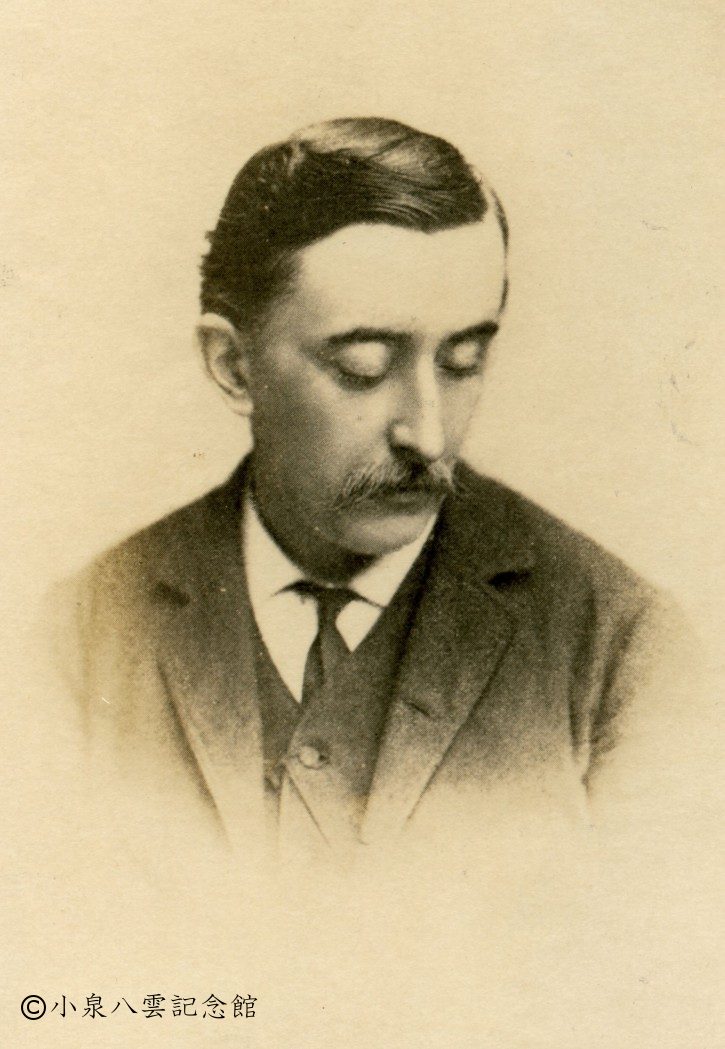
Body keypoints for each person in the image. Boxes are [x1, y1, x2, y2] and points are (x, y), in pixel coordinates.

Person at [58, 117, 689, 873]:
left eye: (463, 361)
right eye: (363, 366)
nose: (427, 434)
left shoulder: (623, 646)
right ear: (233, 366)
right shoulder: (76, 634)